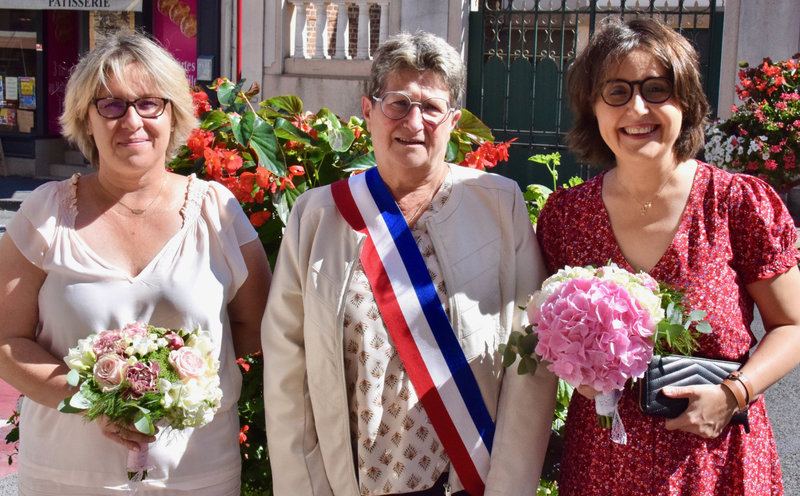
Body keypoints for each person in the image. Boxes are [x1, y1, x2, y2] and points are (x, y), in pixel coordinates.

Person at [262, 31, 556, 495]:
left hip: (465, 483)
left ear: (454, 120)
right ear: (368, 110)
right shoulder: (318, 218)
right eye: (397, 103)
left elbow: (530, 360)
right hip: (352, 483)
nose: (414, 121)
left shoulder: (500, 207)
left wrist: (508, 487)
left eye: (432, 107)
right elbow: (287, 376)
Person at [536, 17, 800, 495]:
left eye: (657, 89)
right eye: (616, 91)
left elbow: (792, 325)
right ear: (592, 108)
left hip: (716, 461)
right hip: (604, 465)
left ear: (686, 102)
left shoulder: (736, 203)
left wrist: (733, 394)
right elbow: (545, 330)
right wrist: (577, 374)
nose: (638, 107)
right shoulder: (565, 217)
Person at [0, 32, 270, 495]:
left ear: (173, 115)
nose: (132, 121)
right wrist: (94, 397)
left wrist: (175, 382)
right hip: (67, 477)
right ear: (87, 118)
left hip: (195, 475)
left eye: (149, 104)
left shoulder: (216, 212)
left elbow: (253, 325)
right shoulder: (46, 213)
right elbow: (5, 339)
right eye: (110, 105)